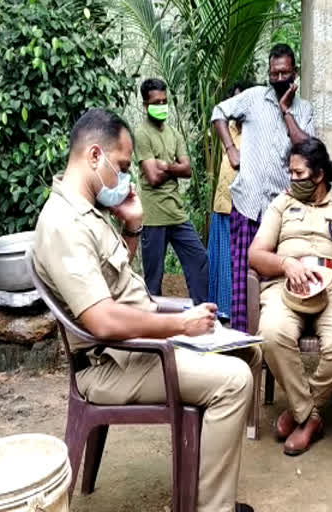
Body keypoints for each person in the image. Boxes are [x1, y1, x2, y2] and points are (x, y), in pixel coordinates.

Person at [33, 108, 260, 512]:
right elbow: (101, 319)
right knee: (236, 380)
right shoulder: (63, 223)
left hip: (136, 347)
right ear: (94, 156)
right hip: (113, 363)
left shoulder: (90, 211)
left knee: (248, 352)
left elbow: (117, 280)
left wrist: (133, 226)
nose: (125, 178)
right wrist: (178, 325)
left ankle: (200, 488)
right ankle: (210, 508)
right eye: (121, 166)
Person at [249, 137, 332, 455]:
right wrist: (286, 263)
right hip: (286, 281)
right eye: (289, 173)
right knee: (271, 334)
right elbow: (256, 254)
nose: (292, 180)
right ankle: (311, 416)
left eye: (299, 174)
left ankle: (300, 411)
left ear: (319, 175)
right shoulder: (282, 203)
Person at [212, 43, 315, 332]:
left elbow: (306, 147)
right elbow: (219, 112)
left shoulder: (304, 109)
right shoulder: (254, 97)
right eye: (274, 73)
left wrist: (286, 112)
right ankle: (245, 344)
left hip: (284, 210)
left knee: (280, 274)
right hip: (248, 205)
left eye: (284, 72)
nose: (279, 78)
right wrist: (231, 148)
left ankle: (273, 339)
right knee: (245, 278)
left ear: (295, 73)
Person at [135, 78, 209, 304]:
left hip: (175, 211)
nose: (161, 106)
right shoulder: (141, 134)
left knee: (199, 259)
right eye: (156, 102)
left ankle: (203, 312)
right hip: (153, 215)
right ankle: (152, 326)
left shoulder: (174, 133)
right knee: (154, 277)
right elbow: (153, 177)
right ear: (145, 105)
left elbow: (188, 171)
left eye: (164, 101)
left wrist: (165, 165)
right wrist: (174, 167)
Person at [207, 81, 253, 320]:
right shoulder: (229, 128)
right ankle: (221, 310)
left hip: (243, 206)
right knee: (221, 259)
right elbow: (218, 112)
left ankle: (235, 312)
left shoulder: (255, 130)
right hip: (222, 203)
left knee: (236, 262)